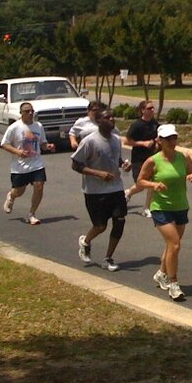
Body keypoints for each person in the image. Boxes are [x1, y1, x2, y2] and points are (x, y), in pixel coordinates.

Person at [137, 124, 192, 301]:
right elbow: (140, 181)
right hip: (161, 207)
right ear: (159, 140)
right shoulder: (153, 161)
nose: (172, 141)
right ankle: (173, 283)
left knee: (171, 245)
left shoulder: (183, 157)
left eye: (174, 138)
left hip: (180, 205)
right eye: (168, 139)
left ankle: (161, 273)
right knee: (175, 244)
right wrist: (153, 184)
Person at [71, 109, 132, 271]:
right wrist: (98, 174)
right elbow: (76, 165)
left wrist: (124, 164)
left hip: (116, 188)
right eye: (107, 117)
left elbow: (115, 159)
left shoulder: (116, 140)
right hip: (94, 191)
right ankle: (86, 241)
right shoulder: (89, 141)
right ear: (98, 121)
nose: (111, 119)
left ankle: (108, 258)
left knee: (120, 220)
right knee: (100, 226)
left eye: (113, 117)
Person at [0, 101, 55, 224]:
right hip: (19, 166)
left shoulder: (38, 126)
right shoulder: (14, 127)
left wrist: (48, 146)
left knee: (39, 186)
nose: (30, 113)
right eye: (27, 111)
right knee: (19, 191)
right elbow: (4, 144)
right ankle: (11, 196)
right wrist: (18, 152)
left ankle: (32, 214)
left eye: (32, 111)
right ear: (21, 113)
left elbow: (42, 143)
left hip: (36, 164)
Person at [124, 100, 159, 217]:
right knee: (141, 185)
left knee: (152, 183)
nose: (152, 110)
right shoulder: (136, 125)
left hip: (152, 158)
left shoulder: (154, 123)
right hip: (139, 159)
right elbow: (127, 141)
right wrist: (142, 143)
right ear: (143, 110)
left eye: (153, 108)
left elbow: (157, 137)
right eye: (149, 108)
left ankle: (147, 208)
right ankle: (128, 193)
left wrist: (157, 142)